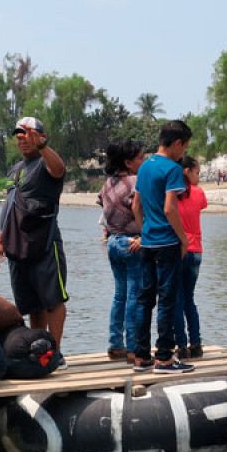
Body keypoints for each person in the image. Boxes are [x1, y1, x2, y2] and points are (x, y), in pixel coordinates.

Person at [0, 116, 68, 366]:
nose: (23, 138)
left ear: (41, 136)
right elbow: (10, 205)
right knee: (33, 304)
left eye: (28, 133)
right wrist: (0, 239)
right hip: (17, 245)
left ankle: (55, 352)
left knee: (53, 299)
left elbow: (59, 170)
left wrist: (43, 147)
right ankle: (41, 350)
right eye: (19, 134)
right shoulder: (15, 170)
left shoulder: (45, 164)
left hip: (44, 244)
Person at [131, 119, 195, 373]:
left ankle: (141, 356)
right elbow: (170, 208)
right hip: (167, 242)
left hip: (147, 242)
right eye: (184, 147)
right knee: (167, 299)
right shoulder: (172, 169)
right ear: (177, 143)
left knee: (145, 299)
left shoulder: (145, 167)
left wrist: (144, 230)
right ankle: (165, 358)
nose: (183, 153)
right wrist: (183, 238)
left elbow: (136, 206)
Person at [99, 139, 145, 360]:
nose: (142, 162)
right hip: (131, 243)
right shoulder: (136, 181)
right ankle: (133, 347)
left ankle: (115, 344)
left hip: (113, 241)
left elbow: (102, 204)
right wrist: (145, 234)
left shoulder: (108, 183)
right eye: (139, 158)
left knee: (120, 295)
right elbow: (138, 206)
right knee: (134, 296)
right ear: (127, 162)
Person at [175, 155, 209, 360]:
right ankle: (196, 343)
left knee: (176, 300)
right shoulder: (199, 193)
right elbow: (201, 205)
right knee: (189, 299)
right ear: (187, 171)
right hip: (196, 251)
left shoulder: (171, 194)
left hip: (178, 249)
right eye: (197, 172)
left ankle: (181, 345)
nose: (199, 177)